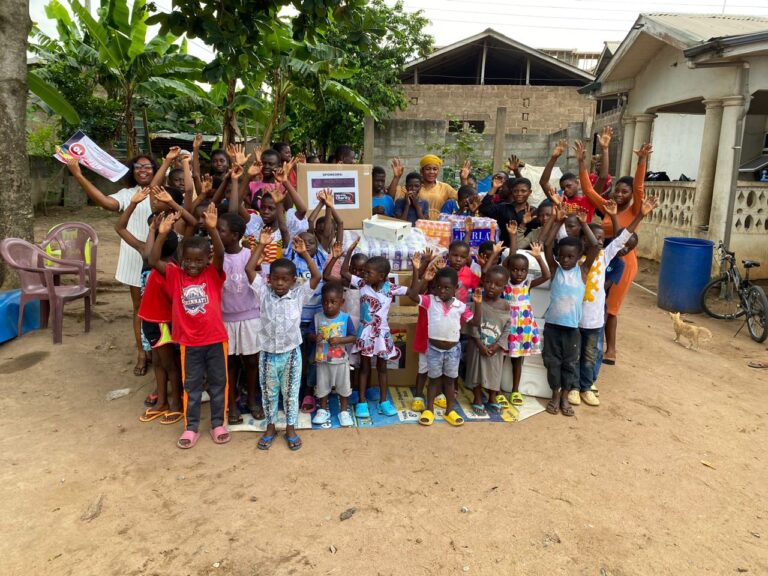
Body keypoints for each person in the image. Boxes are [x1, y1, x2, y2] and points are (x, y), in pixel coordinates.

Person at [65, 153, 165, 378]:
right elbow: (105, 202)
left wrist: (169, 160)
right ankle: (142, 352)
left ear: (155, 169)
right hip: (134, 255)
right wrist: (79, 175)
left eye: (147, 167)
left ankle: (161, 349)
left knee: (163, 306)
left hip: (160, 256)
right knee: (139, 308)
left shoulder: (162, 193)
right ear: (132, 172)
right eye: (137, 167)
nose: (142, 170)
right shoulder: (127, 194)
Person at [149, 204, 230, 449]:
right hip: (188, 342)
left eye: (198, 260)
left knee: (218, 384)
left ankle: (218, 423)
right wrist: (162, 233)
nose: (192, 265)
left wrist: (214, 230)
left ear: (207, 260)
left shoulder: (213, 274)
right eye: (188, 260)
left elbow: (221, 254)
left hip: (215, 339)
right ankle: (191, 427)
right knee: (191, 386)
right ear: (181, 260)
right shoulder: (175, 275)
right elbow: (152, 260)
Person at [570, 196, 658, 409]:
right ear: (582, 239)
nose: (597, 241)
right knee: (573, 353)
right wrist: (581, 223)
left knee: (590, 355)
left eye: (601, 239)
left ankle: (586, 386)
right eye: (592, 238)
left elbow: (622, 238)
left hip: (593, 319)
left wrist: (640, 215)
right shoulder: (572, 257)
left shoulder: (604, 257)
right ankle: (572, 387)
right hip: (573, 317)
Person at [576, 137, 651, 365]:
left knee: (611, 307)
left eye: (624, 192)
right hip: (604, 257)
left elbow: (639, 188)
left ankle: (611, 350)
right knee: (597, 300)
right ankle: (591, 345)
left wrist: (641, 162)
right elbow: (588, 190)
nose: (619, 195)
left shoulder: (636, 208)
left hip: (624, 261)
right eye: (617, 190)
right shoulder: (608, 208)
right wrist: (582, 162)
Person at [246, 234, 321, 451]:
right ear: (268, 279)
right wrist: (261, 245)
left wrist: (304, 253)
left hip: (291, 354)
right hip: (268, 354)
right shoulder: (263, 292)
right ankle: (270, 427)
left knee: (291, 392)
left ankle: (290, 427)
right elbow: (250, 270)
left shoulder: (298, 294)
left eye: (285, 279)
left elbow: (317, 276)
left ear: (293, 280)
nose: (280, 283)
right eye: (275, 278)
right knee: (269, 392)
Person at [115, 189, 182, 425]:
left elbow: (153, 258)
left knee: (169, 363)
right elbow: (120, 228)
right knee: (158, 361)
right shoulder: (149, 253)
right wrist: (133, 205)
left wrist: (157, 231)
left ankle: (176, 404)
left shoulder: (171, 267)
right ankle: (162, 400)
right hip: (150, 320)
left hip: (164, 322)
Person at [405, 262, 481, 427]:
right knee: (433, 381)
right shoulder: (430, 301)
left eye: (447, 288)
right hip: (433, 349)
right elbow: (412, 295)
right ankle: (429, 410)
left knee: (449, 382)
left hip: (453, 351)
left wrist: (478, 304)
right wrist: (424, 279)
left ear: (456, 288)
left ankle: (450, 411)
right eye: (438, 287)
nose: (442, 291)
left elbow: (475, 322)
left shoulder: (460, 306)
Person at [541, 207, 599, 417]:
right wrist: (558, 221)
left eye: (570, 257)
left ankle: (565, 396)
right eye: (562, 256)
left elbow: (594, 245)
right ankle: (555, 395)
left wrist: (584, 223)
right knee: (552, 362)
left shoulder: (583, 272)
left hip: (572, 329)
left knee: (569, 364)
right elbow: (547, 244)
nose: (565, 260)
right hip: (553, 327)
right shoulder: (555, 270)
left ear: (579, 257)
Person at [341, 238, 408, 419]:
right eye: (364, 272)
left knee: (382, 367)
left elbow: (413, 292)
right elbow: (344, 272)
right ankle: (362, 402)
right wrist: (350, 251)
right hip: (365, 333)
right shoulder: (362, 284)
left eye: (368, 273)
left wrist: (419, 269)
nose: (364, 275)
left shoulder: (390, 288)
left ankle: (384, 401)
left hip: (382, 334)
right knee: (364, 368)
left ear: (381, 276)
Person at [217, 212, 264, 424]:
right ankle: (232, 403)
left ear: (235, 235)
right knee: (231, 363)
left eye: (221, 231)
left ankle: (252, 400)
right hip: (225, 318)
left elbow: (258, 282)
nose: (216, 234)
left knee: (252, 361)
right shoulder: (216, 257)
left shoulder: (248, 254)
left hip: (250, 317)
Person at [504, 241, 550, 407]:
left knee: (518, 361)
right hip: (506, 328)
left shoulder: (527, 284)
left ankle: (515, 390)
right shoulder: (504, 283)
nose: (519, 273)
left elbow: (546, 276)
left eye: (523, 270)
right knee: (501, 358)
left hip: (523, 329)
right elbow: (502, 267)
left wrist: (538, 257)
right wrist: (513, 237)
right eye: (515, 269)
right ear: (508, 270)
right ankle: (496, 390)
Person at [308, 281, 357, 427]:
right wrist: (315, 337)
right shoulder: (317, 317)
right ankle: (322, 410)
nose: (329, 305)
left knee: (343, 386)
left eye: (333, 302)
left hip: (341, 361)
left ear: (341, 302)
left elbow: (353, 337)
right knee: (322, 386)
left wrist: (340, 340)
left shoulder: (345, 318)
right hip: (322, 360)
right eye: (325, 302)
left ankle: (343, 411)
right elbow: (309, 334)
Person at [465, 265, 511, 416]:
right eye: (489, 282)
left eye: (498, 285)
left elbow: (507, 327)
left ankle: (492, 397)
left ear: (504, 287)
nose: (492, 287)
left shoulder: (505, 306)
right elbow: (472, 325)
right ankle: (477, 398)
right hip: (477, 345)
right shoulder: (476, 302)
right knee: (475, 372)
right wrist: (479, 343)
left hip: (494, 348)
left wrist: (498, 345)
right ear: (483, 281)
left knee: (494, 373)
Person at [539, 139, 595, 222]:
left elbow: (603, 177)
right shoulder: (559, 200)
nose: (565, 190)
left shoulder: (587, 200)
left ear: (577, 183)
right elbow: (543, 182)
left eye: (568, 186)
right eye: (563, 188)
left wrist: (581, 161)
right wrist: (554, 158)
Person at [391, 155, 458, 220]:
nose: (431, 172)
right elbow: (390, 197)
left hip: (436, 226)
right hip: (417, 224)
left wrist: (464, 180)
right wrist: (396, 177)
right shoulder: (414, 187)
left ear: (438, 171)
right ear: (421, 171)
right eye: (428, 169)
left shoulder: (445, 187)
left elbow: (462, 198)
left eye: (435, 169)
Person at [479, 177, 534, 247]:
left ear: (529, 192)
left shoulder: (533, 212)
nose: (519, 194)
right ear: (512, 191)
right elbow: (484, 208)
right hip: (503, 250)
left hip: (524, 252)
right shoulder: (503, 208)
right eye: (516, 191)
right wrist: (494, 188)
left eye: (523, 191)